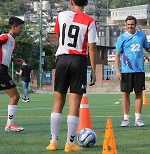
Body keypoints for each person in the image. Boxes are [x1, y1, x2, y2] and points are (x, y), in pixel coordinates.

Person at [46, 0, 98, 152]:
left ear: (71, 1)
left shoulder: (61, 15)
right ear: (87, 3)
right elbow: (92, 46)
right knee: (74, 103)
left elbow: (58, 34)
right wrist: (93, 70)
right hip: (78, 60)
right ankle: (69, 143)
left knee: (58, 101)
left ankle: (53, 141)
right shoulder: (90, 21)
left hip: (62, 59)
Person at [0, 16, 25, 132]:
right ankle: (10, 125)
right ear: (13, 27)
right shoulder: (6, 36)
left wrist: (13, 60)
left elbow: (5, 54)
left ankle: (10, 125)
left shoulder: (13, 41)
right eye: (20, 27)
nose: (21, 30)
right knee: (15, 96)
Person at [114, 16, 150, 127]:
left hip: (139, 70)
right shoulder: (121, 38)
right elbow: (117, 55)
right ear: (125, 25)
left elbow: (148, 48)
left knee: (138, 93)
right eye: (128, 24)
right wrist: (118, 70)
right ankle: (126, 119)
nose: (130, 26)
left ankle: (138, 119)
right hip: (126, 71)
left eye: (132, 24)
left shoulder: (142, 35)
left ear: (135, 24)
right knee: (125, 93)